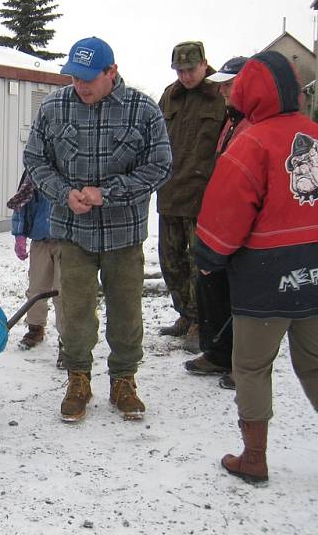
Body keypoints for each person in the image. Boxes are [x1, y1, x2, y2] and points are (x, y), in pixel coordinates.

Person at [24, 36, 172, 422]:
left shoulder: (143, 110)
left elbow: (159, 166)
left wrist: (109, 194)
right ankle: (78, 379)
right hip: (73, 233)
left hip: (124, 234)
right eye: (75, 77)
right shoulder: (54, 107)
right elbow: (35, 160)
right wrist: (63, 192)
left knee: (126, 311)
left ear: (112, 72)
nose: (81, 85)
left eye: (89, 77)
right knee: (75, 311)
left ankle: (124, 380)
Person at [194, 51, 318, 483]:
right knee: (315, 363)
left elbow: (226, 215)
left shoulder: (251, 142)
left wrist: (208, 259)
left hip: (266, 275)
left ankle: (254, 457)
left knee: (251, 366)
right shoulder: (315, 134)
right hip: (316, 270)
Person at [156, 42, 227, 352]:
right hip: (170, 193)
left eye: (190, 69)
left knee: (199, 264)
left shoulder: (219, 95)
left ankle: (202, 321)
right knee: (171, 263)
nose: (185, 76)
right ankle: (185, 314)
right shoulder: (169, 96)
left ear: (204, 64)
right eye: (180, 70)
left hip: (203, 199)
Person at [185, 56, 250, 389]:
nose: (224, 90)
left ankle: (243, 365)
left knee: (243, 297)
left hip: (245, 228)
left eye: (231, 84)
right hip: (220, 221)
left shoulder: (256, 123)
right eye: (222, 84)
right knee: (213, 286)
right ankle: (218, 353)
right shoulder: (232, 119)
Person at [8, 171, 64, 368]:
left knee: (63, 293)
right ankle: (35, 327)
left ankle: (68, 341)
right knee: (36, 288)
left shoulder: (73, 168)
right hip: (40, 238)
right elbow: (21, 206)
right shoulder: (35, 173)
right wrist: (19, 234)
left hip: (68, 241)